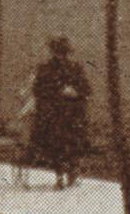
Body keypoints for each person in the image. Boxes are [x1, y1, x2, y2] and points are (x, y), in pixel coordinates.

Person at [30, 36, 91, 189]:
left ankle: (70, 172)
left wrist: (75, 92)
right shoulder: (45, 69)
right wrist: (57, 93)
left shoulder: (75, 68)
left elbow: (86, 89)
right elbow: (38, 90)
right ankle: (60, 176)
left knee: (72, 143)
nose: (61, 56)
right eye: (58, 52)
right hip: (55, 114)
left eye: (63, 53)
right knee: (57, 144)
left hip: (72, 114)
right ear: (53, 52)